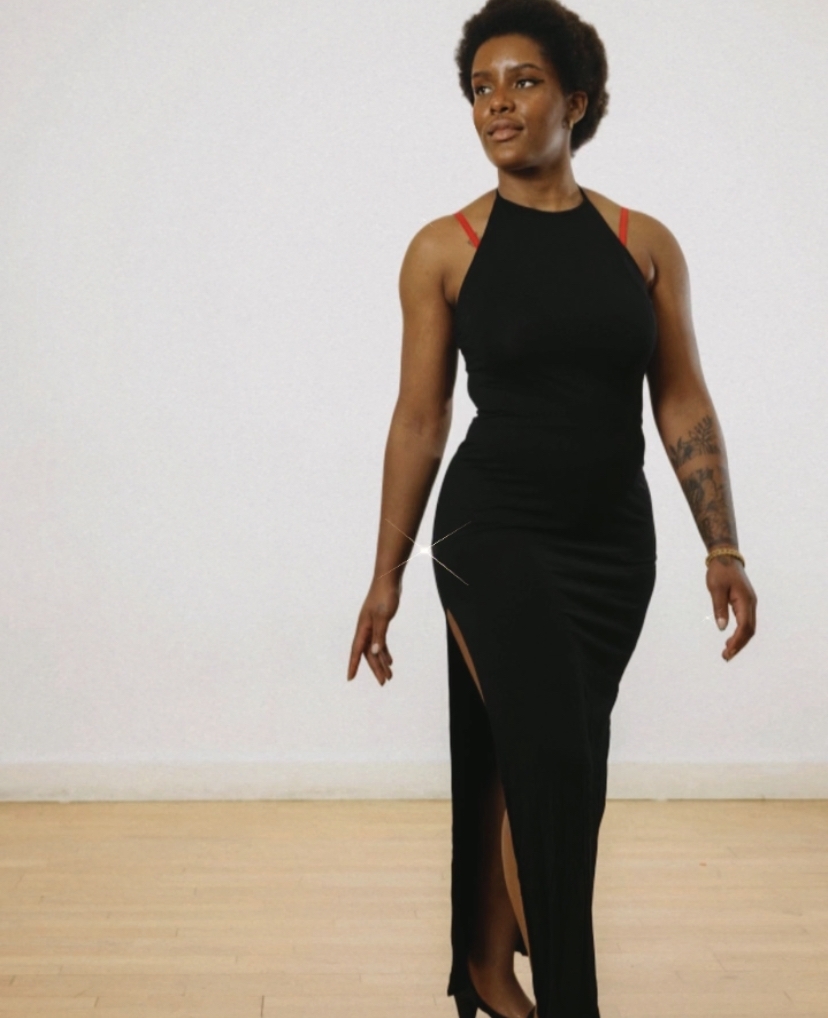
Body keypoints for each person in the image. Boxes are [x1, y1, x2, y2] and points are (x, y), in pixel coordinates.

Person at [347, 1, 758, 1015]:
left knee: (556, 766)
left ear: (576, 100)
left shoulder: (642, 243)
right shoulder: (443, 250)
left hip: (614, 547)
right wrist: (387, 575)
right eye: (480, 87)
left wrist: (724, 545)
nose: (497, 103)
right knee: (555, 768)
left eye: (522, 81)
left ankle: (489, 966)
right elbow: (419, 420)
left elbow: (683, 399)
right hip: (492, 534)